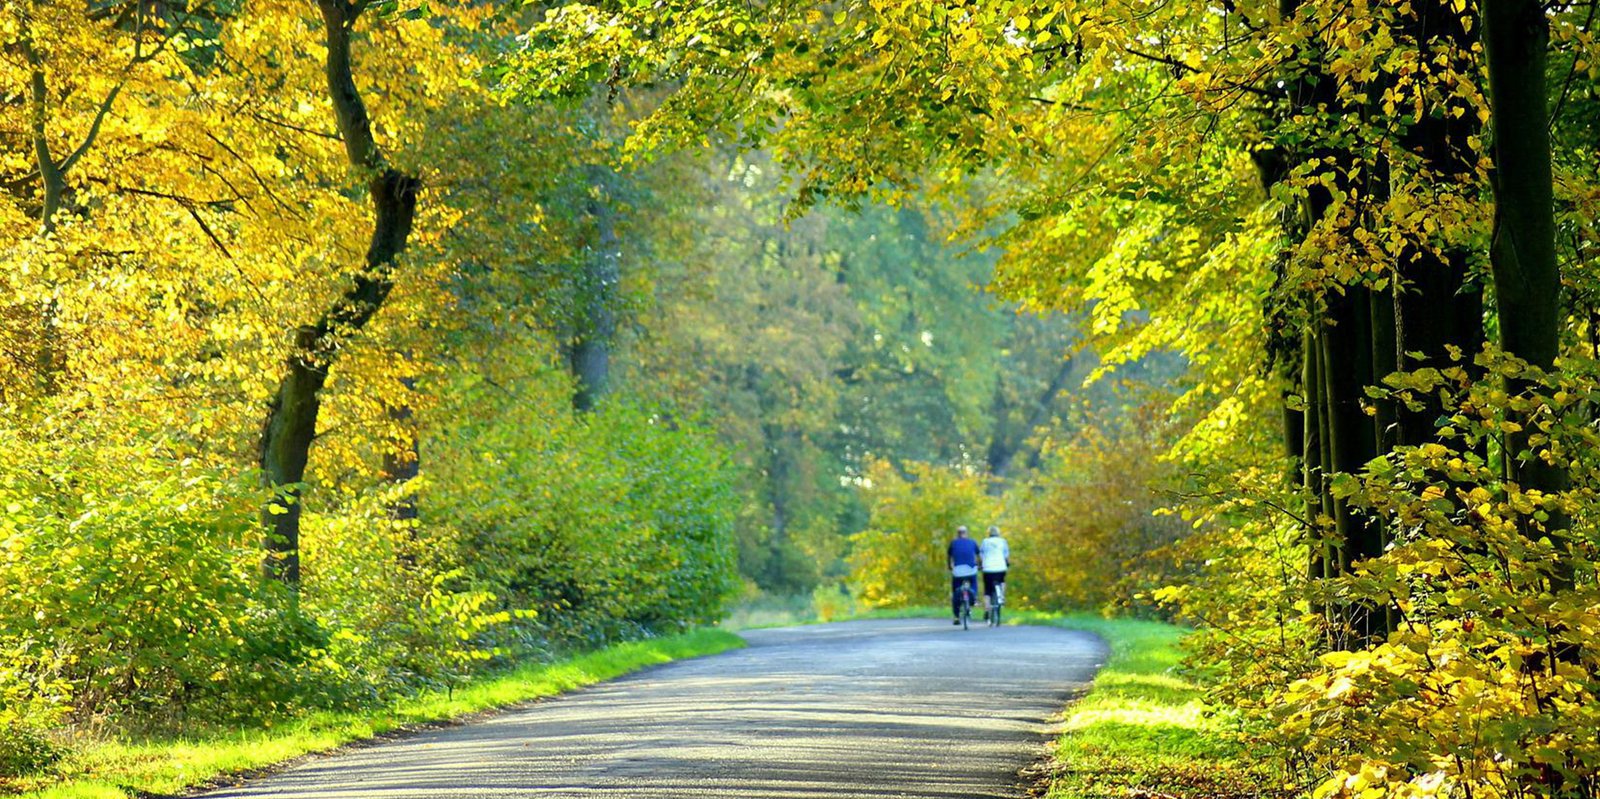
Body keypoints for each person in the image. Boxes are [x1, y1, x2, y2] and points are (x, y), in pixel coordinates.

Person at [947, 525, 980, 625]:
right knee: (973, 583)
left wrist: (949, 566)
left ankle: (956, 617)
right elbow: (978, 556)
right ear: (966, 533)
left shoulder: (953, 543)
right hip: (971, 569)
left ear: (958, 533)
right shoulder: (972, 542)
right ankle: (973, 597)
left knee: (956, 591)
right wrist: (980, 565)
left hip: (958, 570)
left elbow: (949, 557)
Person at [979, 525, 1010, 620]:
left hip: (988, 568)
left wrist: (980, 565)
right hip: (1000, 567)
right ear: (998, 533)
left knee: (987, 590)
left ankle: (987, 609)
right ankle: (1001, 597)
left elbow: (981, 555)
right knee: (1002, 581)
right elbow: (1006, 555)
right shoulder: (1003, 541)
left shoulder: (985, 541)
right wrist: (1007, 564)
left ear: (989, 533)